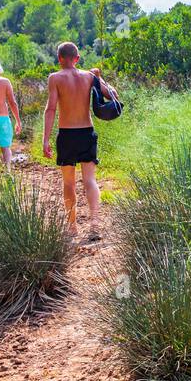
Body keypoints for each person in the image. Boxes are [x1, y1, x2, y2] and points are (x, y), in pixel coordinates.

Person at [42, 41, 118, 239]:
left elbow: (50, 109)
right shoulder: (89, 76)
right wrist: (100, 78)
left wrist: (45, 139)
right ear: (77, 58)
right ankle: (94, 225)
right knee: (90, 180)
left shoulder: (55, 78)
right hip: (87, 132)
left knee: (68, 183)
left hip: (67, 134)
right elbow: (114, 96)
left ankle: (72, 228)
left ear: (59, 59)